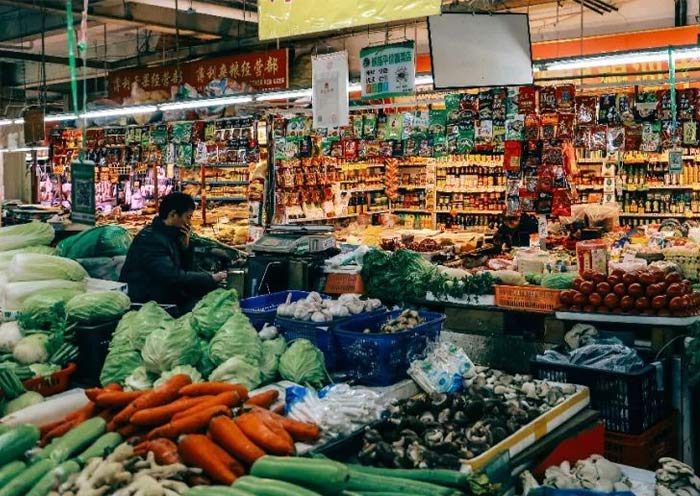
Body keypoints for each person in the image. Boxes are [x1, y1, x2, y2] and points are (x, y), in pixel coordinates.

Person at [120, 192, 227, 312]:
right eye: (188, 217)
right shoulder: (150, 240)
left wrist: (185, 248)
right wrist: (210, 278)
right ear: (173, 214)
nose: (189, 223)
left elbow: (183, 269)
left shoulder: (171, 235)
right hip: (148, 304)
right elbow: (173, 275)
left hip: (164, 296)